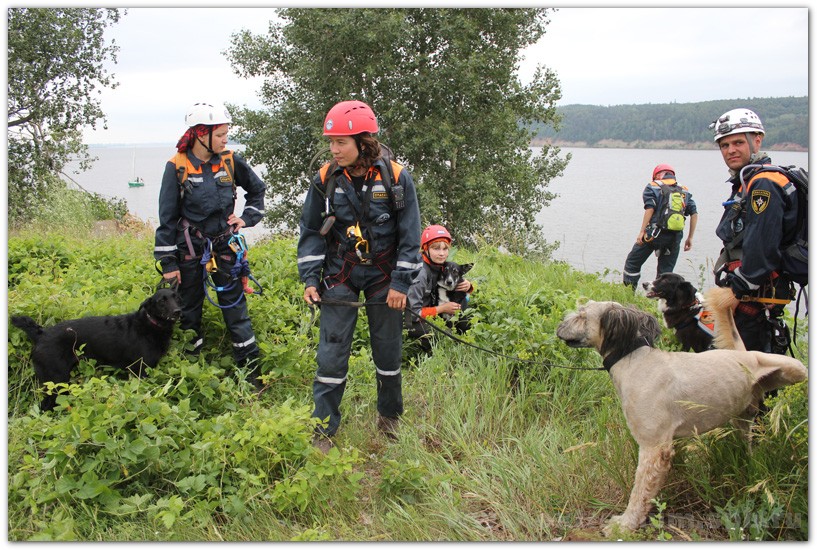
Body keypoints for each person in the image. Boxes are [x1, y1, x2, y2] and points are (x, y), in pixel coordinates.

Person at [297, 100, 422, 450]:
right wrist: (310, 278)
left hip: (385, 277)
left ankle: (390, 417)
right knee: (330, 356)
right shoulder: (325, 179)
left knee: (388, 351)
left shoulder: (396, 178)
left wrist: (401, 284)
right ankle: (323, 431)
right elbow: (310, 231)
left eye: (341, 142)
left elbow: (410, 235)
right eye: (331, 142)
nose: (334, 150)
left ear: (363, 142)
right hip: (342, 274)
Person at [154, 102, 266, 388]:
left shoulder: (230, 160)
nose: (225, 139)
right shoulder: (177, 167)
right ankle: (193, 372)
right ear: (200, 135)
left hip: (226, 248)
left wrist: (245, 218)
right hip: (189, 251)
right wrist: (169, 265)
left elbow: (257, 190)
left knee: (236, 310)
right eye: (220, 135)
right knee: (189, 312)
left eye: (226, 134)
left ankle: (251, 372)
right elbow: (167, 218)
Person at [710, 108, 798, 353]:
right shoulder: (748, 180)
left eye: (738, 142)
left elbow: (762, 245)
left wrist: (737, 290)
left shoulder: (763, 184)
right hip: (751, 294)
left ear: (757, 139)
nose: (730, 150)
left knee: (746, 370)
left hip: (752, 297)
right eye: (724, 145)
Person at [622, 164, 698, 289]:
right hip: (674, 237)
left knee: (632, 263)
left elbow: (649, 208)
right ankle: (661, 303)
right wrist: (690, 237)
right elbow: (694, 213)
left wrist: (642, 232)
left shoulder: (653, 187)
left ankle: (629, 294)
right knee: (665, 273)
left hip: (653, 234)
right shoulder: (684, 191)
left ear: (657, 175)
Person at [406, 224, 475, 354]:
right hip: (411, 319)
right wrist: (442, 309)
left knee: (466, 320)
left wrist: (468, 286)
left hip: (430, 312)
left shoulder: (439, 265)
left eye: (445, 248)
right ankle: (427, 354)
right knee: (441, 335)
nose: (442, 253)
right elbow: (413, 313)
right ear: (425, 248)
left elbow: (455, 275)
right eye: (436, 248)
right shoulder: (420, 273)